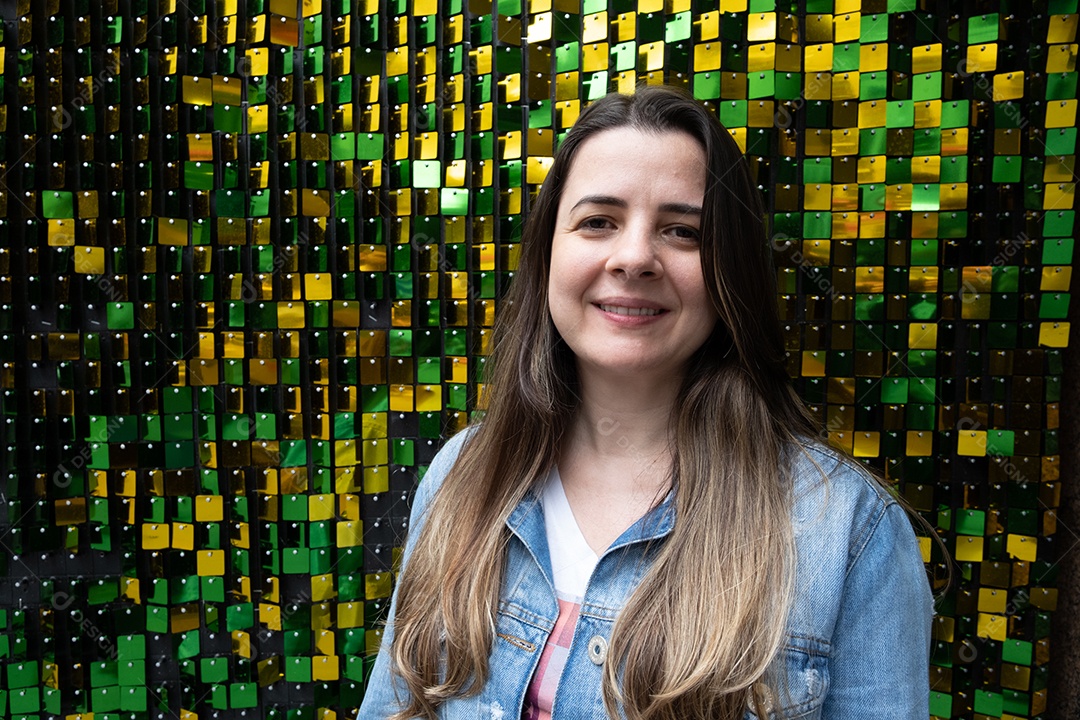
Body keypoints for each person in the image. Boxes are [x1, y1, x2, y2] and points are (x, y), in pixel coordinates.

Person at [358, 85, 934, 720]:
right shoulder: (463, 474)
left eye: (682, 231)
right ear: (549, 252)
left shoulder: (846, 531)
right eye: (598, 221)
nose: (634, 257)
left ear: (729, 272)